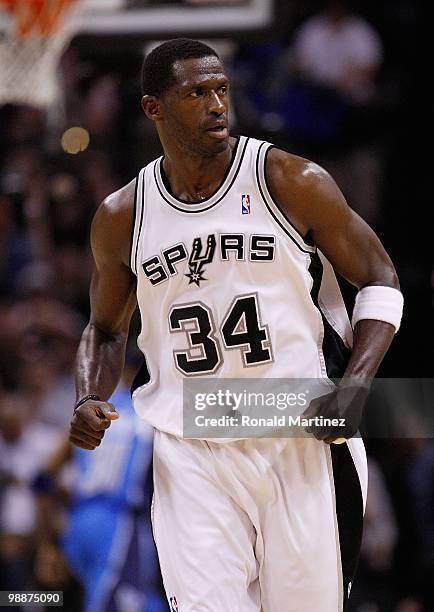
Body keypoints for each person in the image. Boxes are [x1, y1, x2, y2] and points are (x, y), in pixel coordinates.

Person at [69, 39, 403, 611]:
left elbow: (381, 280)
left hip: (299, 430)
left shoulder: (289, 179)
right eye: (197, 93)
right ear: (154, 109)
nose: (217, 105)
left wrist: (355, 387)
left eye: (221, 89)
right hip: (189, 442)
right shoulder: (122, 215)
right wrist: (88, 395)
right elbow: (104, 328)